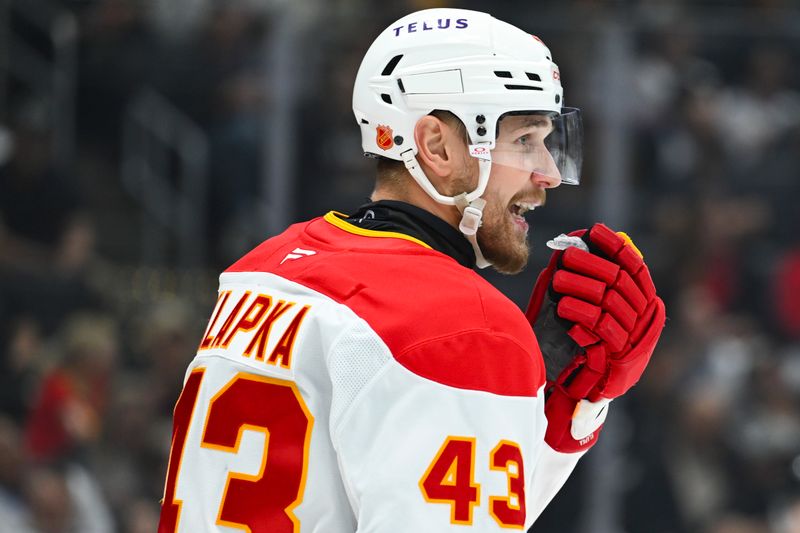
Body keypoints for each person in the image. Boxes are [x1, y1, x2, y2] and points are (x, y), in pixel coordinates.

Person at [157, 8, 666, 532]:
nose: (550, 174)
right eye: (525, 140)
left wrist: (562, 417)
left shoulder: (262, 268)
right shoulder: (465, 327)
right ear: (437, 146)